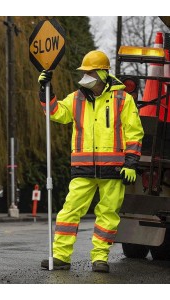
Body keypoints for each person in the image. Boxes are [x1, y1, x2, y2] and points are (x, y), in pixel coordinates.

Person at [38, 50, 144, 273]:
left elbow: (134, 133)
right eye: (84, 72)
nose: (86, 75)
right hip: (83, 168)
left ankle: (99, 258)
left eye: (90, 71)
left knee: (108, 215)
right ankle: (60, 257)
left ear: (104, 73)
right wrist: (45, 91)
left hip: (114, 169)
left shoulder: (123, 99)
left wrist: (131, 162)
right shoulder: (76, 98)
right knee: (69, 212)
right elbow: (56, 113)